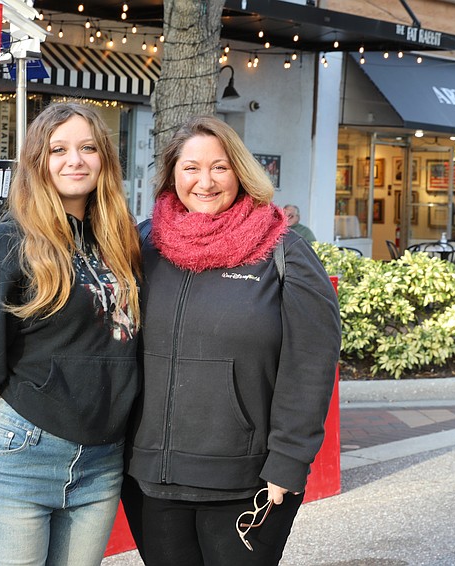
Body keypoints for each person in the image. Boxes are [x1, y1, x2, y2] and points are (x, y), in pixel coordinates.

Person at [0, 102, 142, 566]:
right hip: (17, 458)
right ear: (37, 162)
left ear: (105, 157)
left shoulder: (120, 242)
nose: (74, 160)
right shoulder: (6, 244)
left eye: (86, 148)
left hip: (100, 463)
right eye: (58, 149)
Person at [122, 116, 341, 566]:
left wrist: (289, 461)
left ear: (240, 172)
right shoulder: (144, 244)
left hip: (248, 482)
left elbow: (311, 363)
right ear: (171, 175)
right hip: (150, 478)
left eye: (219, 168)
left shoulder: (282, 249)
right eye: (191, 168)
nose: (205, 182)